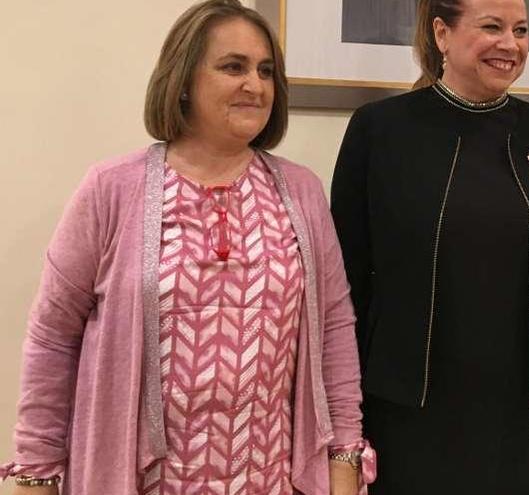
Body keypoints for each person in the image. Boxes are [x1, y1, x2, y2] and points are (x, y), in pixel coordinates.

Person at [0, 1, 372, 494]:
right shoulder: (111, 189)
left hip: (272, 480)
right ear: (182, 80)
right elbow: (52, 340)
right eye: (232, 67)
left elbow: (334, 332)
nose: (255, 85)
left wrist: (344, 458)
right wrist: (35, 473)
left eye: (266, 71)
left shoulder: (300, 192)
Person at [330, 0, 529, 493]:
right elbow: (344, 287)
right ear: (442, 33)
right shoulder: (380, 131)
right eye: (492, 27)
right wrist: (344, 420)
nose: (510, 44)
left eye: (520, 30)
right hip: (409, 416)